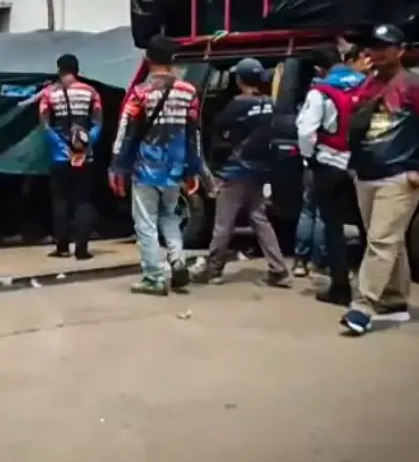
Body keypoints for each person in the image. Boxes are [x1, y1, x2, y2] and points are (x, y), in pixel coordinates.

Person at [339, 24, 419, 336]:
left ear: (400, 50)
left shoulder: (417, 86)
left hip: (399, 177)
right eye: (373, 46)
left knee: (381, 241)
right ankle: (395, 300)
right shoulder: (366, 85)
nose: (377, 52)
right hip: (366, 175)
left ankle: (363, 305)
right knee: (387, 239)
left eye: (385, 46)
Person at [110, 35, 204, 296]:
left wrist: (117, 166)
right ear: (173, 60)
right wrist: (193, 168)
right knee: (170, 216)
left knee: (145, 223)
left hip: (145, 169)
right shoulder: (189, 92)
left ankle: (153, 277)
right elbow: (194, 133)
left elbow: (125, 133)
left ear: (147, 59)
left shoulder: (140, 93)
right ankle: (177, 260)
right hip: (175, 169)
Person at [191, 58, 290, 287]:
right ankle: (278, 269)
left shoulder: (237, 104)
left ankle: (213, 271)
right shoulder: (269, 103)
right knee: (259, 219)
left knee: (223, 223)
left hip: (235, 171)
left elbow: (219, 128)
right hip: (259, 171)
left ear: (238, 79)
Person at [294, 48, 367, 297]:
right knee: (369, 227)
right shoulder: (368, 86)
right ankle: (374, 287)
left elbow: (305, 132)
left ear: (320, 70)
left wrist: (308, 157)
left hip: (330, 164)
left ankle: (340, 287)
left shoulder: (320, 92)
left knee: (332, 226)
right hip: (363, 165)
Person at [38, 53, 103, 260]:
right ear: (77, 70)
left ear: (59, 69)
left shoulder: (49, 94)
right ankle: (82, 249)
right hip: (85, 156)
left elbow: (45, 124)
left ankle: (62, 247)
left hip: (59, 157)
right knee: (83, 200)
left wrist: (62, 147)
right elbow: (98, 122)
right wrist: (85, 145)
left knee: (61, 200)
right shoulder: (91, 92)